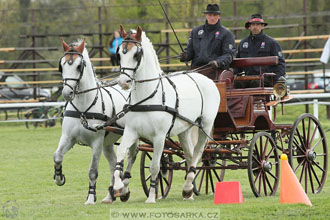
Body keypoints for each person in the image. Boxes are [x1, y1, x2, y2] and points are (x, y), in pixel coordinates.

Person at [180, 3, 236, 80]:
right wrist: (185, 55)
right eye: (210, 15)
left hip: (216, 70)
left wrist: (217, 62)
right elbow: (190, 51)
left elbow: (228, 55)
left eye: (215, 15)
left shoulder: (227, 34)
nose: (212, 18)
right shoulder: (195, 31)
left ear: (219, 16)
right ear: (206, 15)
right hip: (196, 70)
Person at [234, 14, 286, 88]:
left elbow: (280, 64)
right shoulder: (243, 43)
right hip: (248, 78)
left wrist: (277, 82)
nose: (255, 27)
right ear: (249, 26)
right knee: (236, 84)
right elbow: (237, 65)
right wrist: (234, 76)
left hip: (265, 79)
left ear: (262, 26)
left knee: (255, 83)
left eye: (258, 25)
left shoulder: (272, 43)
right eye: (253, 24)